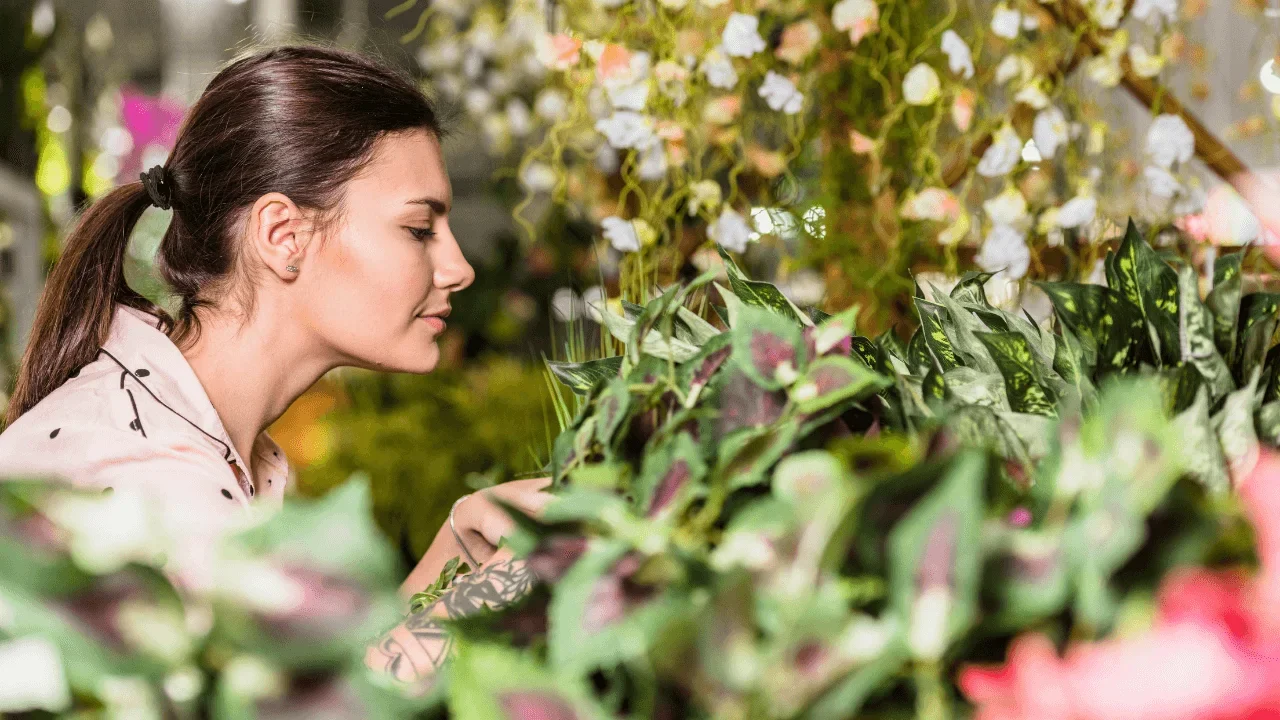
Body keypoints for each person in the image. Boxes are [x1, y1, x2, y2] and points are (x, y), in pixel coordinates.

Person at [0, 44, 551, 682]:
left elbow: (318, 682)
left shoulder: (190, 426)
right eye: (419, 229)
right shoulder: (147, 483)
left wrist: (457, 548)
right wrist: (491, 595)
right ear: (283, 236)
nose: (460, 268)